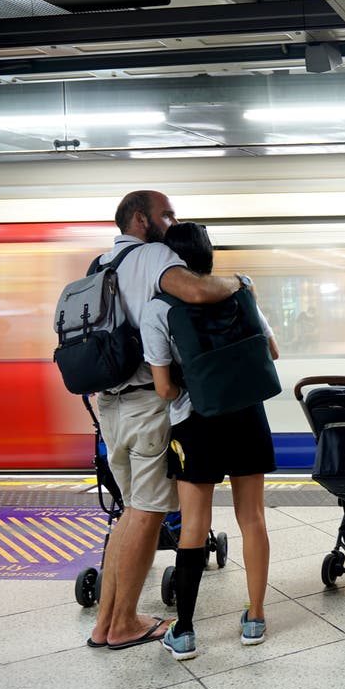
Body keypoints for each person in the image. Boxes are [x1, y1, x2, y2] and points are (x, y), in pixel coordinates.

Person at [87, 191, 243, 650]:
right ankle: (123, 625)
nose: (173, 223)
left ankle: (106, 623)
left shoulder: (100, 263)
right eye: (166, 214)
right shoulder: (154, 253)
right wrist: (236, 282)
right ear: (140, 220)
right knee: (147, 514)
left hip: (110, 406)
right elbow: (196, 289)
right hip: (144, 402)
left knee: (128, 513)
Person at [141, 222, 279, 660]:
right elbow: (271, 352)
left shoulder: (158, 308)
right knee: (252, 518)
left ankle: (184, 632)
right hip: (247, 416)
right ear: (209, 254)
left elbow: (164, 389)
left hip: (195, 423)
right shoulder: (241, 289)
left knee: (194, 528)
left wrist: (195, 384)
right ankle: (254, 618)